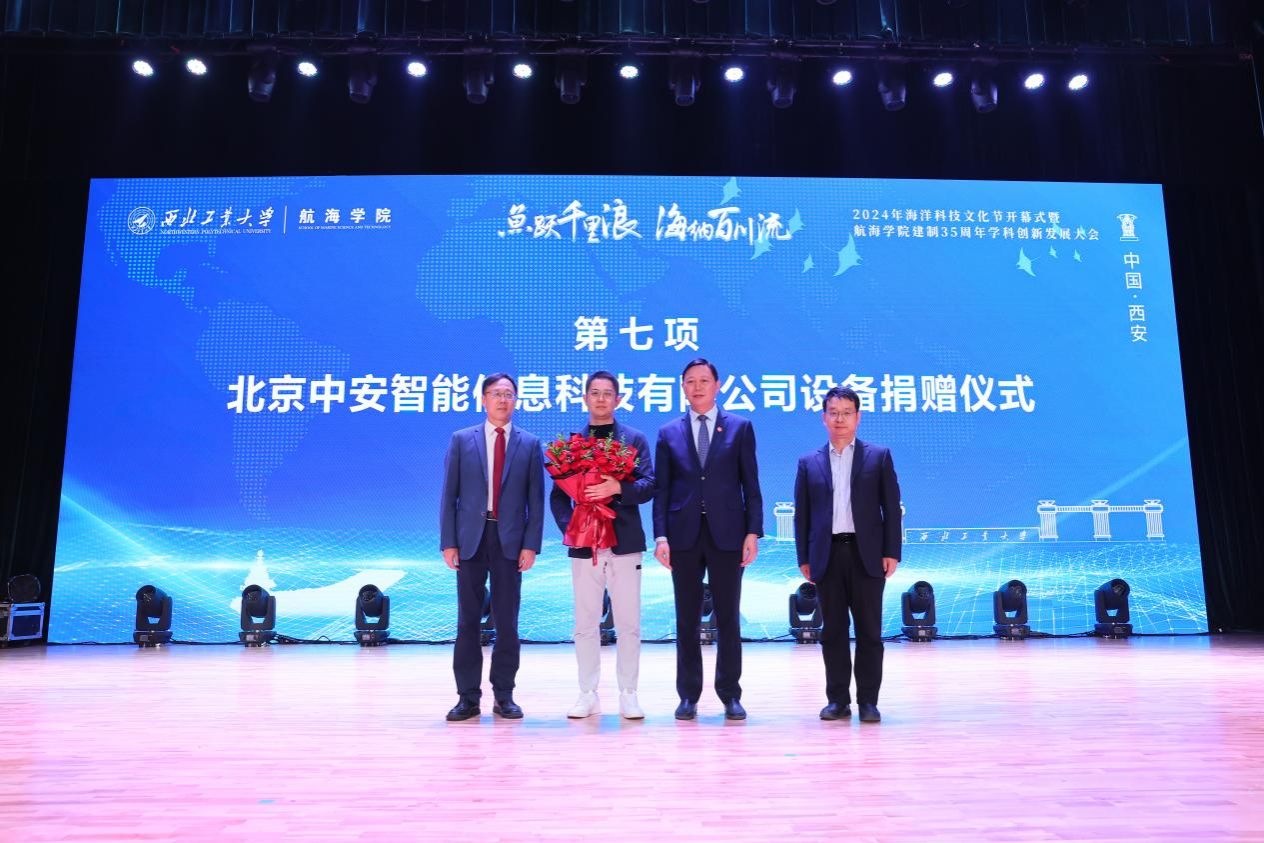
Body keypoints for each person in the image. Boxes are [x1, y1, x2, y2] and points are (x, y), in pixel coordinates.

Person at [653, 358, 763, 721]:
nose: (697, 387)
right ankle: (688, 695)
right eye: (690, 381)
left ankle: (730, 694)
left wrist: (752, 532)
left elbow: (751, 485)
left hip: (728, 534)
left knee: (728, 617)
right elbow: (662, 490)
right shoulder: (668, 432)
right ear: (682, 387)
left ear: (717, 386)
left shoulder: (740, 428)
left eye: (704, 380)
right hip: (682, 536)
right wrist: (661, 536)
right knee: (686, 619)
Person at [793, 385, 902, 723]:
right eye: (833, 413)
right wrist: (804, 557)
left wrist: (892, 551)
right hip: (826, 555)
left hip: (866, 555)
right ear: (824, 418)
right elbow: (802, 515)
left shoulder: (878, 456)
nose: (839, 419)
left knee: (869, 632)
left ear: (858, 417)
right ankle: (837, 700)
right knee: (833, 632)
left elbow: (891, 509)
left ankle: (868, 701)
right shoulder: (809, 462)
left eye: (846, 413)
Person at [550, 371, 655, 720]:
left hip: (625, 541)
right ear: (585, 398)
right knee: (585, 622)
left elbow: (649, 485)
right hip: (585, 546)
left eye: (607, 393)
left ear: (618, 399)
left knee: (628, 622)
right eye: (594, 393)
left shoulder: (634, 440)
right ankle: (587, 693)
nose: (600, 399)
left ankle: (629, 693)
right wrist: (573, 528)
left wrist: (618, 488)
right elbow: (558, 497)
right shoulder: (571, 445)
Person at [439, 373, 544, 721]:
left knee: (507, 622)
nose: (502, 399)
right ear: (483, 400)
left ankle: (504, 695)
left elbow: (535, 501)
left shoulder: (529, 444)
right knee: (467, 621)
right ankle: (467, 698)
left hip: (510, 541)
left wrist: (531, 544)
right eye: (496, 393)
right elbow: (449, 495)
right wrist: (449, 541)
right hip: (470, 539)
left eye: (509, 394)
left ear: (516, 400)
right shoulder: (461, 440)